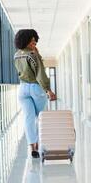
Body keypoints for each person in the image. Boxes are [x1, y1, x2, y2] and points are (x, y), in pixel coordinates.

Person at [14, 29, 57, 158]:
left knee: (28, 118)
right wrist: (48, 90)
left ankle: (32, 145)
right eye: (32, 41)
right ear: (25, 41)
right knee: (41, 117)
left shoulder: (16, 55)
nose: (34, 43)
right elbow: (40, 74)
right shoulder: (32, 55)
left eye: (35, 41)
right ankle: (40, 144)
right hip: (35, 88)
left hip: (22, 89)